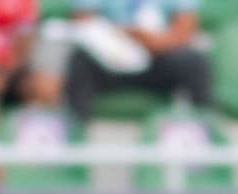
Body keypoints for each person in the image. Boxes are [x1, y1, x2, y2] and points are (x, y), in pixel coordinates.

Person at [63, 0, 211, 123]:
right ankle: (76, 132)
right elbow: (83, 21)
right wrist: (126, 37)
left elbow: (184, 31)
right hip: (111, 58)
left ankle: (208, 128)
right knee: (80, 59)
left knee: (193, 61)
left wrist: (151, 42)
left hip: (157, 59)